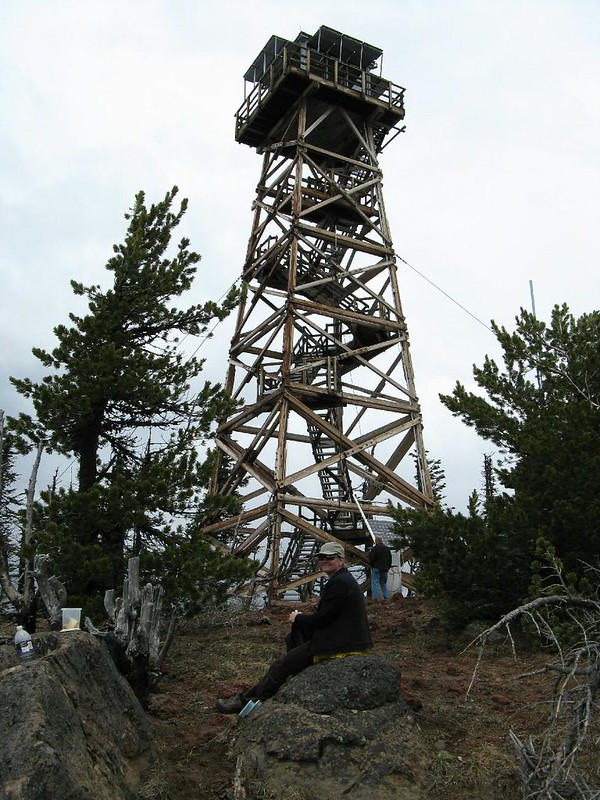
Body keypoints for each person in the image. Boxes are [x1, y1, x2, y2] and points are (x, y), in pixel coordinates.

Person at [216, 541, 372, 714]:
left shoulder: (339, 583)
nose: (324, 560)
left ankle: (250, 704)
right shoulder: (343, 580)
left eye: (330, 557)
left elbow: (322, 619)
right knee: (290, 642)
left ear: (341, 560)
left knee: (280, 666)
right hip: (343, 637)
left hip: (339, 644)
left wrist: (297, 618)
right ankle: (253, 696)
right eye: (321, 557)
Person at [368, 536, 393, 602]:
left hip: (376, 568)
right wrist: (388, 567)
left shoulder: (375, 548)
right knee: (383, 583)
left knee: (375, 582)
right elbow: (390, 559)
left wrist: (372, 564)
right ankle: (386, 597)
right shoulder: (387, 549)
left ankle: (375, 598)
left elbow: (372, 558)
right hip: (384, 569)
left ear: (376, 541)